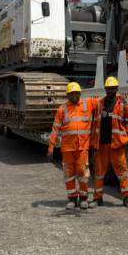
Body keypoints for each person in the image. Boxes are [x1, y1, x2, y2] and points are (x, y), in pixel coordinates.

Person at [46, 81, 98, 210]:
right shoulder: (62, 109)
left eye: (76, 93)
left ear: (80, 93)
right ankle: (72, 199)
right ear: (67, 95)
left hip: (82, 147)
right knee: (69, 174)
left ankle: (84, 198)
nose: (74, 95)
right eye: (71, 93)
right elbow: (55, 129)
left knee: (82, 173)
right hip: (67, 148)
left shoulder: (88, 103)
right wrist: (51, 148)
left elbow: (103, 101)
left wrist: (119, 95)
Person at [90, 77, 128, 209]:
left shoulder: (122, 104)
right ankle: (97, 199)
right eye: (109, 89)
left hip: (116, 145)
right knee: (99, 173)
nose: (111, 91)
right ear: (105, 89)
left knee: (123, 172)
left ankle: (127, 198)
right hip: (101, 145)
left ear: (117, 89)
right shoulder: (99, 104)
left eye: (113, 88)